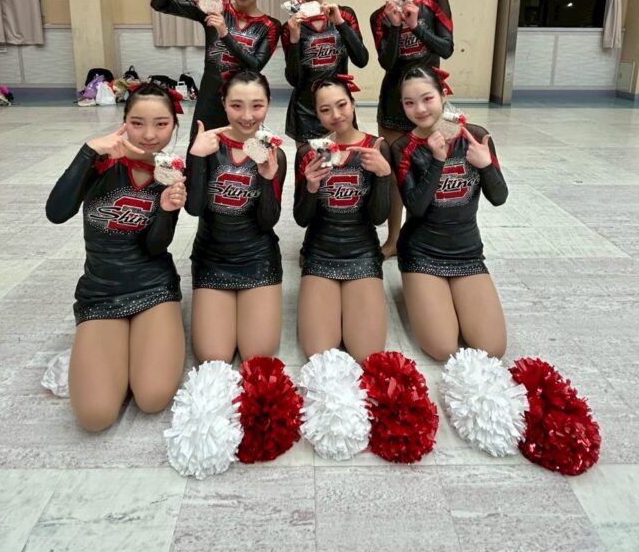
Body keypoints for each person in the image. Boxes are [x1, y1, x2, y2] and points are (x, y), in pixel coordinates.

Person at [45, 83, 187, 432]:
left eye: (161, 124)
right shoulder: (101, 163)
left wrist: (166, 209)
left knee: (152, 397)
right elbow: (56, 212)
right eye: (137, 123)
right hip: (101, 289)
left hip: (153, 287)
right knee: (95, 416)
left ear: (174, 126)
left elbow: (156, 247)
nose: (149, 135)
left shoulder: (171, 172)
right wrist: (88, 151)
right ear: (124, 121)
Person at [390, 66, 507, 361]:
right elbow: (416, 208)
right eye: (409, 103)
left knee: (492, 348)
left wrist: (486, 165)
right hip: (421, 253)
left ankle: (448, 296)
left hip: (466, 253)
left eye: (427, 98)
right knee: (442, 348)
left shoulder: (476, 136)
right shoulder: (403, 147)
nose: (420, 109)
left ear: (443, 95)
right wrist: (437, 160)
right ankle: (419, 288)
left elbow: (499, 197)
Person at [185, 70, 286, 363]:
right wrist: (196, 157)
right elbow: (194, 208)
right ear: (223, 103)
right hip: (212, 257)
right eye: (236, 105)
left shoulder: (273, 153)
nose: (247, 116)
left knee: (258, 354)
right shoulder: (208, 146)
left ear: (268, 103)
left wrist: (267, 178)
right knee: (213, 356)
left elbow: (268, 221)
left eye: (257, 105)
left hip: (258, 257)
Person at [365, 0, 454, 258]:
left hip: (429, 101)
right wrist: (394, 27)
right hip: (393, 103)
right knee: (394, 175)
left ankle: (428, 236)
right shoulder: (378, 17)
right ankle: (393, 239)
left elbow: (445, 48)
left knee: (434, 168)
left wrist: (416, 25)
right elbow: (387, 63)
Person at [294, 75, 391, 362]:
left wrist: (383, 176)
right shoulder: (309, 152)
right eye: (325, 110)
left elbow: (378, 217)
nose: (335, 115)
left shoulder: (376, 147)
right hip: (320, 250)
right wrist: (311, 187)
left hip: (363, 250)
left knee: (366, 353)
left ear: (353, 104)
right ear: (317, 113)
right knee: (318, 352)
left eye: (341, 105)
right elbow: (301, 218)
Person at [150, 0, 281, 143]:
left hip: (242, 106)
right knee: (198, 151)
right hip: (209, 99)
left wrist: (225, 33)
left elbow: (255, 66)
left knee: (240, 156)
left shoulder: (270, 25)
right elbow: (160, 4)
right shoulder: (214, 7)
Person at [281, 0, 369, 140]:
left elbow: (362, 60)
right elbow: (294, 80)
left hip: (339, 108)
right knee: (308, 161)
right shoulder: (290, 27)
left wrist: (340, 23)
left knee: (344, 159)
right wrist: (294, 39)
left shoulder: (344, 15)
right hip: (305, 111)